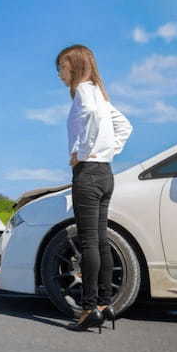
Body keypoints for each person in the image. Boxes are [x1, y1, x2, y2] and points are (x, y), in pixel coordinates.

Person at [56, 45, 133, 332]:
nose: (60, 75)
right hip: (105, 173)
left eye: (62, 68)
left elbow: (88, 113)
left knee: (89, 243)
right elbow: (125, 127)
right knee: (100, 241)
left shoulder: (84, 93)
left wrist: (82, 151)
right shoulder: (100, 93)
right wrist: (107, 151)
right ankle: (104, 303)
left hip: (88, 173)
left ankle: (89, 309)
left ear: (74, 65)